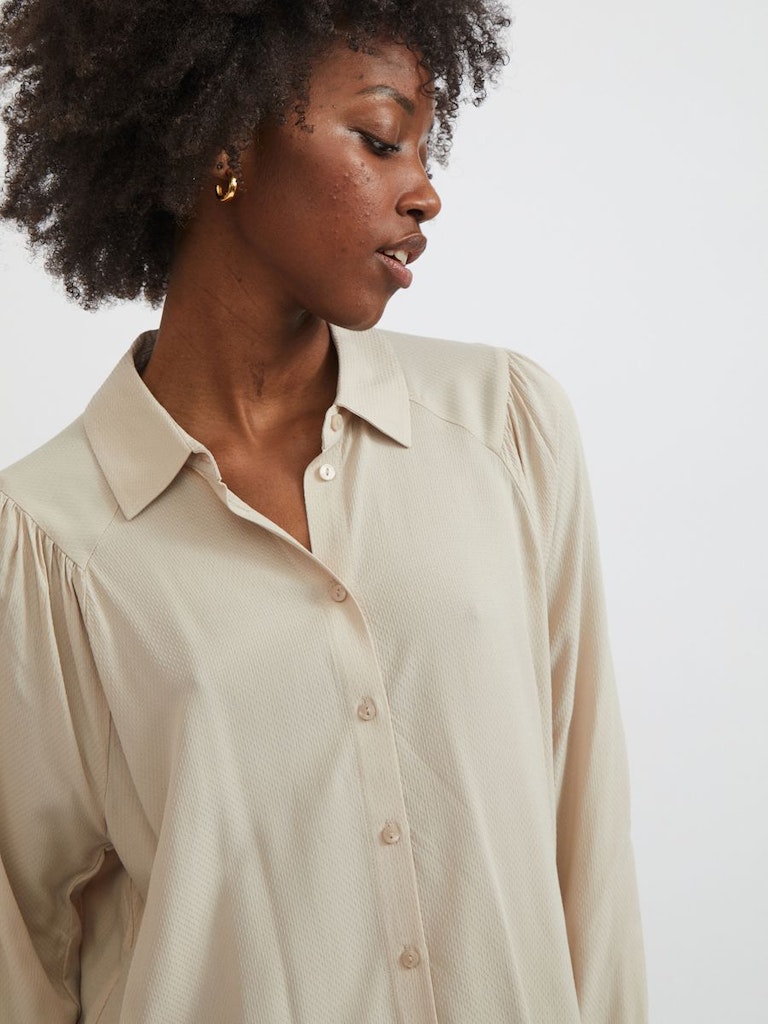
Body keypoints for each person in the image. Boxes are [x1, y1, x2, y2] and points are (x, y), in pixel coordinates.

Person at [0, 1, 647, 1021]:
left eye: (425, 150)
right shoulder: (46, 545)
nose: (425, 192)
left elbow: (588, 849)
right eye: (382, 140)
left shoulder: (505, 429)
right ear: (225, 141)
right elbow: (22, 961)